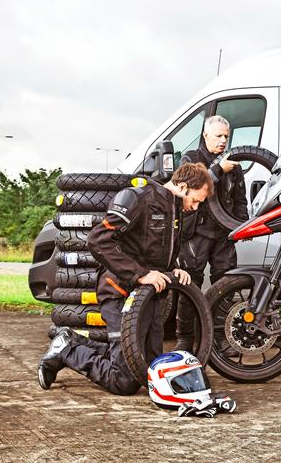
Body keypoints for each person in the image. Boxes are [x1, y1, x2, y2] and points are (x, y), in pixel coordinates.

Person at [37, 162, 212, 394]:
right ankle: (66, 349)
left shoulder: (176, 210)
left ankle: (72, 341)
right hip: (119, 291)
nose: (195, 207)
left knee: (150, 368)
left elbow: (157, 252)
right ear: (182, 186)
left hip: (149, 298)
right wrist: (139, 275)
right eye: (196, 200)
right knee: (124, 381)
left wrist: (176, 269)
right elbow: (98, 240)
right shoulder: (137, 199)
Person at [174, 115, 248, 351]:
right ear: (205, 136)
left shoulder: (235, 166)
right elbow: (189, 189)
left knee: (226, 286)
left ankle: (221, 339)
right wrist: (217, 169)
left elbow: (240, 201)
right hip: (196, 232)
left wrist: (241, 227)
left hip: (224, 235)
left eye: (226, 136)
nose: (223, 140)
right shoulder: (191, 159)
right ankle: (185, 340)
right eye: (218, 136)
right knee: (189, 286)